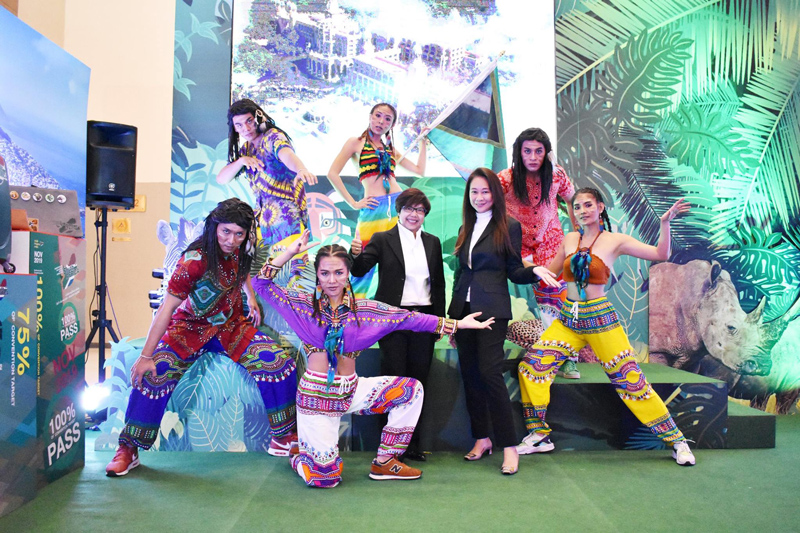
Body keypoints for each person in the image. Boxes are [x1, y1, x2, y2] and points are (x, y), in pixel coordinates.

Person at [251, 233, 494, 488]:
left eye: (338, 273)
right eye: (325, 273)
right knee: (325, 479)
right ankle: (300, 456)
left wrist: (458, 324)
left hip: (351, 391)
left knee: (411, 391)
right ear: (318, 276)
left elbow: (410, 318)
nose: (332, 280)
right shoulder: (301, 306)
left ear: (348, 273)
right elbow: (260, 284)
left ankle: (385, 461)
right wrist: (290, 252)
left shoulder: (366, 311)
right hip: (316, 398)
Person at [105, 199, 298, 477]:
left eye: (239, 234)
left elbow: (243, 271)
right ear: (214, 227)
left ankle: (283, 437)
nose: (231, 240)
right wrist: (146, 356)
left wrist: (250, 297)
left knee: (278, 363)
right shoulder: (193, 262)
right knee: (154, 374)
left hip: (231, 325)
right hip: (189, 328)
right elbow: (166, 309)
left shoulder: (241, 249)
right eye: (226, 232)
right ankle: (128, 448)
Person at [516, 187, 696, 466]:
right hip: (568, 319)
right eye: (577, 207)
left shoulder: (614, 240)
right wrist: (516, 259)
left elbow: (661, 253)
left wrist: (665, 223)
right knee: (531, 368)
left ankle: (677, 441)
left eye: (588, 205)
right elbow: (549, 273)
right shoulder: (570, 239)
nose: (582, 211)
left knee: (631, 380)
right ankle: (539, 435)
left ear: (600, 207)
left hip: (600, 319)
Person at [448, 168, 560, 476]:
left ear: (495, 194)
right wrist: (453, 318)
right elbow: (462, 272)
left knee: (490, 373)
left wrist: (534, 270)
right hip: (463, 312)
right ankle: (482, 438)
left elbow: (513, 270)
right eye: (474, 192)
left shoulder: (509, 226)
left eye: (485, 191)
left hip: (492, 310)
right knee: (470, 375)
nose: (479, 197)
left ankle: (509, 446)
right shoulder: (465, 226)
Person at [349, 188, 445, 462]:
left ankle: (412, 445)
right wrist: (354, 253)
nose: (414, 214)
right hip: (392, 321)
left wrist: (440, 321)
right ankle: (389, 448)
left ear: (425, 214)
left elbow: (438, 283)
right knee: (393, 382)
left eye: (420, 210)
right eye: (409, 209)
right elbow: (358, 270)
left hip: (424, 320)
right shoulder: (383, 238)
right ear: (399, 211)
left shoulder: (433, 242)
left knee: (419, 382)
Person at [498, 128, 581, 379]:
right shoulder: (505, 179)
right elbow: (487, 202)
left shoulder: (556, 175)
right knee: (530, 298)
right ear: (519, 152)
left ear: (546, 153)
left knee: (560, 299)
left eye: (538, 151)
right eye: (527, 151)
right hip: (519, 248)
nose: (533, 157)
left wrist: (576, 230)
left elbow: (572, 198)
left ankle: (566, 358)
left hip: (552, 245)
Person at [326, 102, 428, 298]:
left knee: (404, 258)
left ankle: (398, 307)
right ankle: (353, 308)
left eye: (387, 119)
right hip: (373, 208)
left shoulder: (390, 149)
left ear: (392, 125)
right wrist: (353, 203)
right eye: (378, 116)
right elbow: (332, 173)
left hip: (399, 207)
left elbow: (419, 170)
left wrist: (423, 141)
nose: (381, 121)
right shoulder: (355, 143)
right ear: (370, 116)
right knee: (363, 261)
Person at [217, 98, 316, 280]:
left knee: (292, 278)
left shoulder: (273, 137)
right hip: (262, 223)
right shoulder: (246, 149)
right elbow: (222, 179)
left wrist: (301, 169)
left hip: (287, 220)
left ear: (258, 117)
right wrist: (241, 161)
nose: (246, 128)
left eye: (249, 121)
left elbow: (287, 154)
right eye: (239, 125)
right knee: (263, 279)